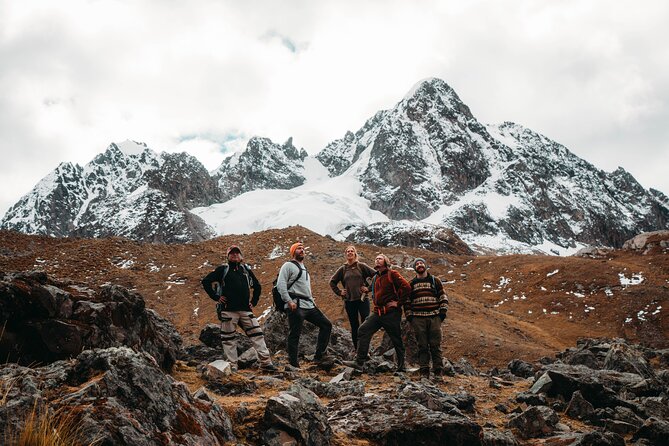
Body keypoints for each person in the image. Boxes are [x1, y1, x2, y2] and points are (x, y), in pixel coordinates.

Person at [201, 245, 277, 372]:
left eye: (237, 253)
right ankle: (232, 366)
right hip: (228, 311)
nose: (235, 255)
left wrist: (254, 301)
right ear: (228, 256)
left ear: (241, 256)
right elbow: (206, 281)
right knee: (229, 339)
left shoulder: (245, 270)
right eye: (232, 253)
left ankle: (266, 363)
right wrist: (216, 297)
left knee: (258, 335)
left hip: (246, 311)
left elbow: (257, 286)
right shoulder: (222, 270)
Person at [343, 253, 411, 372]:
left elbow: (407, 287)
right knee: (363, 330)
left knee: (396, 339)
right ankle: (359, 362)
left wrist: (398, 303)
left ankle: (401, 367)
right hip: (377, 312)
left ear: (386, 261)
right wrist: (367, 290)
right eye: (376, 259)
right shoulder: (376, 277)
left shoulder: (392, 274)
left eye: (380, 258)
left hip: (391, 313)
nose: (377, 260)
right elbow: (374, 289)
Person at [277, 242, 333, 369]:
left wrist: (312, 301)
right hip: (295, 304)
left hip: (309, 304)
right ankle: (293, 364)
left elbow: (305, 288)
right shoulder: (288, 265)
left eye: (303, 248)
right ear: (293, 252)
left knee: (326, 325)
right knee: (295, 334)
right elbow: (281, 285)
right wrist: (289, 301)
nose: (302, 250)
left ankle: (319, 356)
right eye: (298, 249)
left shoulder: (304, 268)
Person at [407, 257, 449, 381]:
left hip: (434, 317)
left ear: (425, 266)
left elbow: (443, 296)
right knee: (422, 346)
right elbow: (407, 301)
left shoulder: (434, 280)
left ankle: (438, 373)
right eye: (417, 264)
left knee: (435, 346)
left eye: (421, 263)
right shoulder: (411, 283)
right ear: (415, 268)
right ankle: (424, 372)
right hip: (418, 319)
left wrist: (442, 313)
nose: (419, 265)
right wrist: (410, 316)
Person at [328, 245, 376, 349]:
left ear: (355, 253)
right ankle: (357, 350)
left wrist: (369, 288)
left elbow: (376, 275)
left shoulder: (361, 266)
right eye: (348, 251)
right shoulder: (343, 269)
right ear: (346, 254)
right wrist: (339, 292)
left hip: (363, 299)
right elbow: (332, 282)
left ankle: (365, 349)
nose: (350, 253)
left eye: (352, 251)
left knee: (365, 325)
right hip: (349, 301)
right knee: (354, 326)